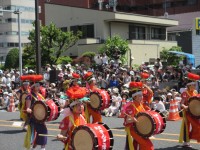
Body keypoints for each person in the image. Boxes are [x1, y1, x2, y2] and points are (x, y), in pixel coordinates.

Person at [123, 81, 154, 150]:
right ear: (135, 97)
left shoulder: (141, 104)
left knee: (142, 146)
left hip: (141, 129)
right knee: (148, 146)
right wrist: (133, 119)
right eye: (140, 96)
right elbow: (127, 120)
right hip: (134, 130)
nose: (142, 97)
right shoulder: (131, 106)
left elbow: (151, 93)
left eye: (142, 95)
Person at [24, 80, 47, 150]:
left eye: (39, 85)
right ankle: (38, 147)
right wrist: (28, 109)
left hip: (40, 117)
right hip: (33, 117)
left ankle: (38, 147)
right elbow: (28, 107)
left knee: (42, 132)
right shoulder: (29, 96)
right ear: (33, 87)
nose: (39, 87)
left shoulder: (39, 95)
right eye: (37, 86)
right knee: (34, 133)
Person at [179, 72, 200, 147]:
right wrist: (185, 107)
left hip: (194, 112)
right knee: (186, 127)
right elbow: (181, 104)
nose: (195, 86)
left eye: (195, 85)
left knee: (197, 126)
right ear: (189, 85)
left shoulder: (195, 92)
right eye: (193, 85)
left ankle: (191, 137)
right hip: (187, 113)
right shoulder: (185, 93)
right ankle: (186, 141)